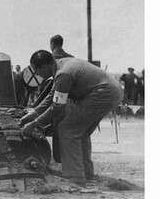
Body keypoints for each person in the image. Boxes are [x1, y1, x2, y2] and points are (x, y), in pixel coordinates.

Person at [19, 50, 122, 186]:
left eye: (37, 71)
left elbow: (56, 106)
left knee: (67, 129)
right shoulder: (61, 65)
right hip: (113, 91)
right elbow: (52, 95)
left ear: (44, 67)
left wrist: (35, 124)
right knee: (81, 132)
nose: (37, 75)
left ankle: (75, 177)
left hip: (103, 93)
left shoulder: (63, 73)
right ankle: (86, 173)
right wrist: (33, 114)